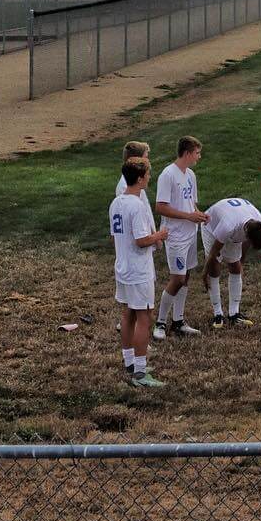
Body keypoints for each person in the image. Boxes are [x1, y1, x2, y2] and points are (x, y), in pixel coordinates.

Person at [109, 155, 169, 389]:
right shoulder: (137, 206)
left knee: (127, 314)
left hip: (122, 267)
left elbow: (116, 235)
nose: (149, 178)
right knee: (144, 317)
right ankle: (141, 373)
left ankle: (130, 362)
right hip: (138, 270)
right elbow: (142, 240)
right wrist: (160, 236)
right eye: (148, 174)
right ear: (141, 178)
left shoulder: (116, 203)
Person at [152, 136, 208, 340]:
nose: (199, 157)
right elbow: (160, 207)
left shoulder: (190, 175)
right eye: (197, 153)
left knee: (186, 276)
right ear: (187, 153)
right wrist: (188, 216)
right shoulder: (168, 175)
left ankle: (178, 321)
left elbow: (191, 203)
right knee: (177, 278)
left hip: (190, 233)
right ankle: (160, 322)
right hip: (175, 235)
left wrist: (199, 214)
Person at [201, 196, 261, 327]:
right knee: (214, 268)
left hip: (234, 225)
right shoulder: (229, 226)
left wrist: (240, 262)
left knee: (236, 267)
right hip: (211, 226)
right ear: (247, 234)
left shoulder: (259, 224)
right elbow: (214, 253)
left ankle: (234, 314)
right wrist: (205, 273)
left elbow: (247, 243)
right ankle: (218, 314)